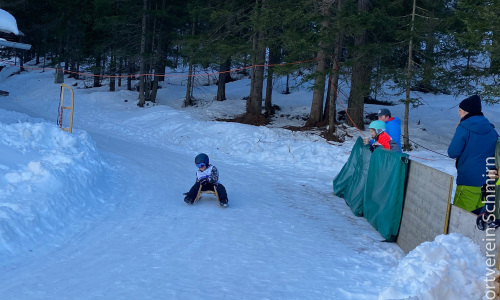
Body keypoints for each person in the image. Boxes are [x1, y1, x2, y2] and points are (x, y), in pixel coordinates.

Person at [448, 95, 498, 212]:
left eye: (460, 110)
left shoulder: (464, 127)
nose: (459, 113)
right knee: (479, 222)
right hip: (488, 182)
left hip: (469, 181)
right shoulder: (491, 129)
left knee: (460, 218)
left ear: (467, 112)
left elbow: (453, 152)